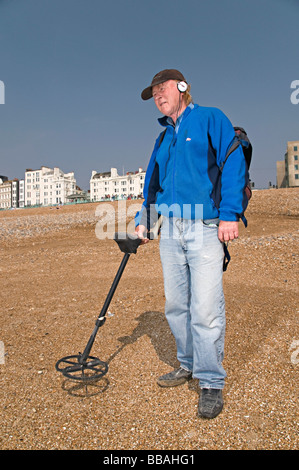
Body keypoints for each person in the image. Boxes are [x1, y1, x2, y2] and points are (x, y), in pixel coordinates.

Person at [134, 69, 248, 419]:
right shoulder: (163, 137)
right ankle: (188, 364)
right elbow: (154, 181)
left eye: (162, 88)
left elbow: (232, 161)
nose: (157, 95)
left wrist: (230, 213)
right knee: (175, 305)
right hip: (170, 230)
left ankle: (211, 381)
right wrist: (145, 219)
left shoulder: (211, 118)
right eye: (153, 93)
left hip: (205, 226)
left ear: (182, 87)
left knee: (206, 307)